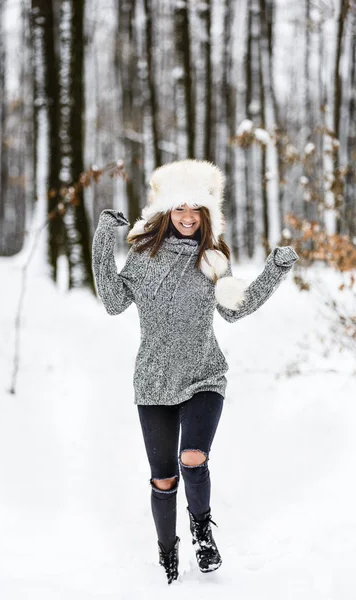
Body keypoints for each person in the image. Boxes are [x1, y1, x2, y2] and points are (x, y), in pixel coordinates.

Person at [91, 159, 299, 584]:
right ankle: (168, 553)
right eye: (180, 208)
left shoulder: (213, 258)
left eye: (196, 210)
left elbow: (234, 309)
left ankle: (202, 530)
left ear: (206, 215)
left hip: (205, 376)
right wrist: (101, 238)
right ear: (166, 212)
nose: (187, 217)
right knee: (163, 479)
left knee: (192, 458)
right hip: (153, 383)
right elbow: (113, 302)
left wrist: (274, 270)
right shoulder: (144, 257)